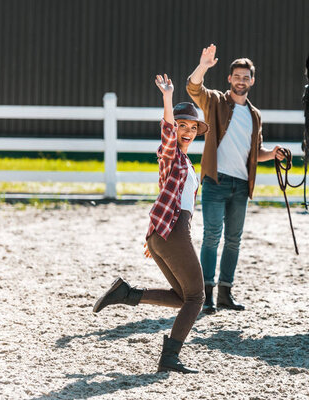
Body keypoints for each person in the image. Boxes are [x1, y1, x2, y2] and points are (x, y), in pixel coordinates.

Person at [92, 74, 208, 374]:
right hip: (172, 233)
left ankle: (127, 294)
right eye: (183, 126)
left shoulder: (186, 162)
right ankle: (169, 359)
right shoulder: (170, 156)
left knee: (183, 296)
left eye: (193, 128)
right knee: (197, 297)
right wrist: (168, 98)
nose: (187, 132)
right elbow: (167, 132)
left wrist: (163, 234)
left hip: (164, 234)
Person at [187, 44, 287, 314]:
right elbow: (194, 88)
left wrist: (273, 154)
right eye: (237, 76)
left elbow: (255, 152)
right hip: (215, 181)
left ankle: (225, 294)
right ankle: (205, 295)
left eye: (246, 77)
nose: (241, 81)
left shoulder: (255, 115)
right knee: (211, 237)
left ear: (252, 81)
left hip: (242, 186)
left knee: (233, 240)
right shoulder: (216, 101)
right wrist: (204, 66)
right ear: (229, 79)